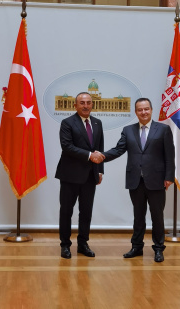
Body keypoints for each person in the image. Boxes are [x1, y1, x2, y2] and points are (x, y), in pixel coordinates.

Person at [96, 98, 175, 262]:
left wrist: (169, 177)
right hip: (135, 181)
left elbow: (169, 156)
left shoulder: (163, 129)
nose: (144, 112)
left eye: (146, 109)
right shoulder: (128, 130)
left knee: (157, 217)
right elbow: (118, 150)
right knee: (138, 216)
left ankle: (159, 249)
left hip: (157, 180)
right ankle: (137, 247)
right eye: (140, 110)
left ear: (151, 110)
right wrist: (102, 156)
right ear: (136, 112)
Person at [55, 92, 104, 259]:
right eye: (82, 103)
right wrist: (90, 156)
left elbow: (99, 149)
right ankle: (65, 245)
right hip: (70, 175)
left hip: (90, 176)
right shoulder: (67, 123)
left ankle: (83, 244)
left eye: (89, 102)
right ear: (75, 105)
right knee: (66, 211)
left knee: (86, 212)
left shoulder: (97, 123)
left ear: (92, 104)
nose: (86, 105)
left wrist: (100, 170)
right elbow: (67, 146)